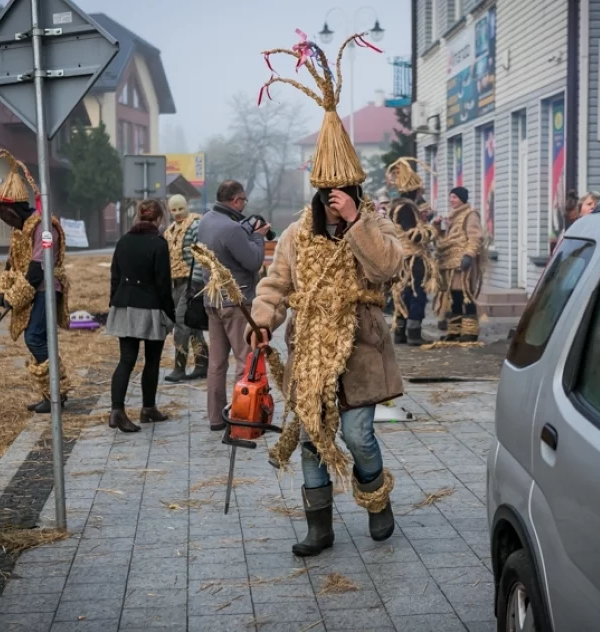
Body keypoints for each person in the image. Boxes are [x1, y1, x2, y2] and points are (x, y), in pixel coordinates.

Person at [253, 32, 403, 557]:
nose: (335, 204)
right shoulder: (297, 234)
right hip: (311, 349)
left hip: (360, 347)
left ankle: (377, 499)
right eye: (329, 198)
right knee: (315, 438)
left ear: (357, 195)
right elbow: (276, 283)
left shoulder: (375, 227)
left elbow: (387, 268)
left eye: (345, 196)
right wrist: (264, 318)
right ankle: (320, 527)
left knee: (359, 434)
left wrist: (358, 221)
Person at [0, 149, 70, 415]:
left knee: (35, 338)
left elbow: (37, 270)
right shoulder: (19, 230)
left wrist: (12, 299)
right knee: (35, 339)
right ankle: (50, 393)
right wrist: (0, 292)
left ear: (15, 209)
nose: (5, 221)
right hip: (31, 290)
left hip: (46, 289)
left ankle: (57, 392)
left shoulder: (44, 228)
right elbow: (11, 264)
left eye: (6, 215)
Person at [196, 180, 268, 431]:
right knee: (244, 360)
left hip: (212, 301)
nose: (245, 205)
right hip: (236, 302)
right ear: (236, 201)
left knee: (216, 364)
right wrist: (258, 238)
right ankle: (242, 415)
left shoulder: (206, 220)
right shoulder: (232, 229)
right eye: (244, 201)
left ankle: (216, 418)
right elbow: (253, 262)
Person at [105, 199, 176, 433]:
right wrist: (170, 314)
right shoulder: (159, 243)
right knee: (152, 360)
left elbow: (115, 276)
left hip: (124, 305)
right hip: (150, 307)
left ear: (139, 217)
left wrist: (114, 302)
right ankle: (147, 408)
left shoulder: (123, 241)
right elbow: (163, 284)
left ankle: (118, 410)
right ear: (158, 219)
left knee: (126, 359)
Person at [385, 157, 438, 346]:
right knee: (416, 294)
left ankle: (400, 333)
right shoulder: (407, 208)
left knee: (402, 294)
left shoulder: (395, 207)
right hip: (412, 260)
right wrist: (432, 229)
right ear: (414, 191)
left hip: (400, 259)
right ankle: (414, 333)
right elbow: (414, 236)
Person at [163, 194, 208, 383]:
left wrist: (196, 283)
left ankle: (179, 368)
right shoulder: (171, 229)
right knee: (193, 324)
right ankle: (202, 364)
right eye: (173, 210)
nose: (177, 213)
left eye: (180, 208)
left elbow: (201, 254)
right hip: (177, 282)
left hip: (192, 282)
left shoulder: (195, 225)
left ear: (187, 206)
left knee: (181, 324)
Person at [434, 186, 483, 342]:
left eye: (454, 197)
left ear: (462, 199)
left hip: (464, 265)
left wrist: (468, 255)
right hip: (451, 265)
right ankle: (454, 330)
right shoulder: (452, 217)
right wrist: (437, 227)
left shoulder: (471, 214)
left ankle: (470, 332)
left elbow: (475, 237)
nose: (451, 200)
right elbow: (447, 239)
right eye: (450, 197)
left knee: (466, 296)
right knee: (454, 297)